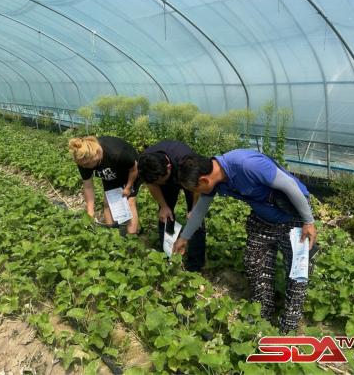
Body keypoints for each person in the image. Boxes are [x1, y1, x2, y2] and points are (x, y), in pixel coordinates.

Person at [173, 150, 318, 333]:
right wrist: (184, 238)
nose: (196, 193)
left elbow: (289, 185)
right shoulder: (216, 180)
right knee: (254, 261)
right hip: (263, 216)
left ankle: (288, 326)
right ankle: (262, 314)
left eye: (195, 189)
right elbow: (200, 210)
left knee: (298, 270)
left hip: (293, 212)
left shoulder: (246, 164)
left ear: (203, 180)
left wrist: (308, 221)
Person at [138, 140, 206, 271]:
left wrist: (194, 209)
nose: (161, 184)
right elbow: (152, 184)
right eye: (158, 182)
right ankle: (167, 254)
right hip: (165, 176)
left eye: (162, 181)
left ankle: (195, 265)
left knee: (196, 218)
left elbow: (197, 187)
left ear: (169, 167)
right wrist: (163, 206)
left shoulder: (186, 161)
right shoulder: (146, 164)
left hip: (188, 177)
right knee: (165, 215)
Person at [69, 136, 140, 234]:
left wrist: (128, 187)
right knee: (108, 202)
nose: (84, 167)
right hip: (109, 172)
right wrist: (90, 211)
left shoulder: (117, 153)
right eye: (82, 165)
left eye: (87, 164)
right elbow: (88, 186)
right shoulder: (83, 160)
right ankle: (111, 234)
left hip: (129, 172)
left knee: (130, 202)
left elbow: (134, 169)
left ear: (95, 155)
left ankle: (131, 236)